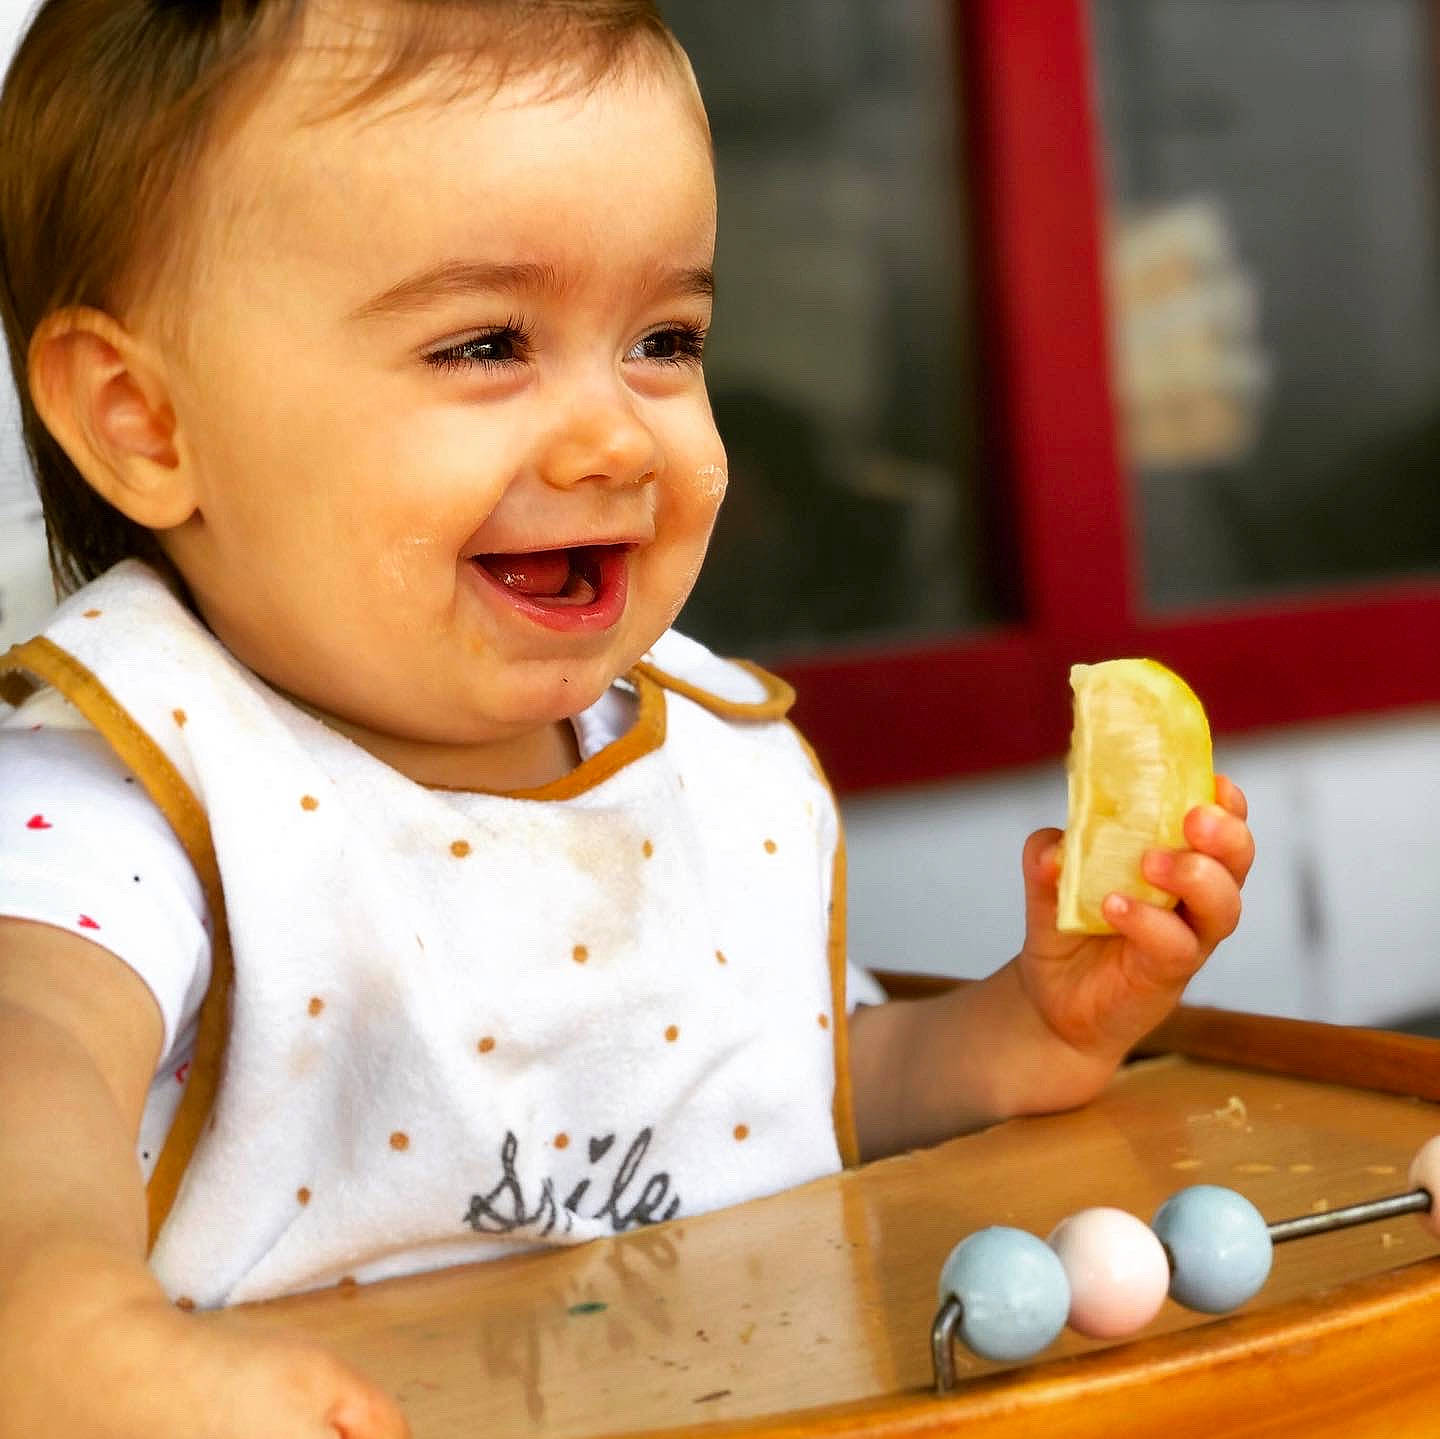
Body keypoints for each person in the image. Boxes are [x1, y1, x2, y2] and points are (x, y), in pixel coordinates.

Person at [0, 2, 1254, 1434]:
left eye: (664, 338)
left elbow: (757, 1091)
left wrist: (1019, 1032)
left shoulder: (710, 766)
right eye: (483, 346)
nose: (613, 438)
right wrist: (60, 1329)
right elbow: (26, 1060)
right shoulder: (131, 795)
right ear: (145, 422)